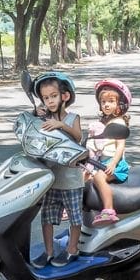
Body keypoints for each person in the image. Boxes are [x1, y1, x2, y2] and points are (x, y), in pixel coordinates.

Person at [31, 71, 84, 268]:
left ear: (65, 96)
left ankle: (72, 249)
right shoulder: (44, 119)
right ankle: (49, 251)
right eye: (46, 98)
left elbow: (77, 137)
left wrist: (60, 125)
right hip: (51, 178)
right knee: (47, 217)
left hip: (71, 179)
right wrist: (36, 115)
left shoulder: (73, 118)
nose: (50, 101)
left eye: (54, 96)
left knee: (74, 217)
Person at [85, 78, 132, 226]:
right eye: (103, 101)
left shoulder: (118, 123)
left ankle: (109, 210)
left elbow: (120, 146)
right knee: (84, 177)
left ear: (120, 106)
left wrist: (112, 163)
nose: (106, 104)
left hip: (115, 164)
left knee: (99, 178)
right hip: (101, 162)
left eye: (111, 101)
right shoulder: (104, 123)